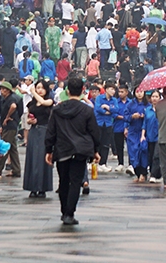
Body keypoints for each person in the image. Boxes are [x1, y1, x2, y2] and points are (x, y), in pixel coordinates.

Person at [45, 77, 102, 225]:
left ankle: (64, 210)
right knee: (76, 182)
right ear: (83, 91)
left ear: (68, 91)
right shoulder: (87, 110)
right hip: (80, 150)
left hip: (62, 149)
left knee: (63, 181)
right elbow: (94, 132)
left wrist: (48, 150)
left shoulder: (57, 110)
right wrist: (96, 150)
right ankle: (69, 213)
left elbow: (51, 132)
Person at [23, 79, 55, 198]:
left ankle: (42, 187)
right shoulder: (32, 103)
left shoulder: (49, 100)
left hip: (44, 131)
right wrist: (30, 121)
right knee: (32, 159)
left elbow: (43, 102)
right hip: (34, 131)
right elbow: (28, 117)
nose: (39, 90)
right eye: (37, 88)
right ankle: (32, 187)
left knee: (42, 159)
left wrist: (32, 92)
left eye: (42, 88)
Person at [0, 81, 22, 178]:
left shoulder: (12, 98)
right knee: (12, 148)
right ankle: (16, 170)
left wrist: (8, 116)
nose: (2, 91)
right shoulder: (2, 98)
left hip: (11, 124)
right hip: (7, 125)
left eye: (5, 89)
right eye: (1, 89)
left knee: (4, 147)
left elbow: (13, 106)